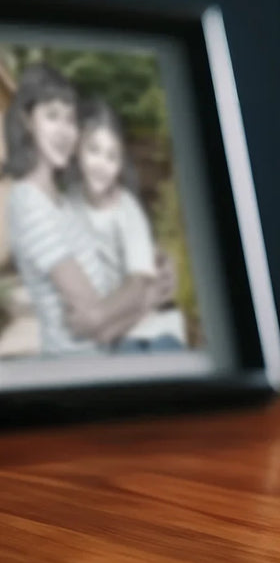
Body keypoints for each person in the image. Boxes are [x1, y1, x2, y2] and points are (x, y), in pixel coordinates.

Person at [2, 63, 173, 356]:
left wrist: (144, 279)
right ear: (27, 120)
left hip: (111, 352)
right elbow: (95, 322)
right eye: (52, 115)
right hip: (81, 364)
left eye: (70, 119)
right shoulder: (28, 202)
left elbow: (106, 306)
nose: (64, 131)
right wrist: (147, 298)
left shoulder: (65, 200)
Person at [67, 97, 185, 351]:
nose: (102, 164)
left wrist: (99, 318)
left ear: (120, 164)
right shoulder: (70, 204)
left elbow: (139, 286)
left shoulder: (126, 208)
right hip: (109, 331)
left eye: (112, 156)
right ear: (77, 148)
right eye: (93, 150)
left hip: (149, 333)